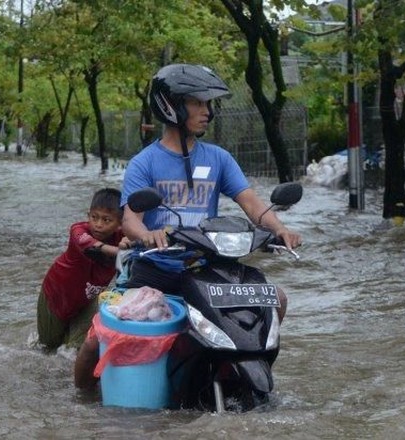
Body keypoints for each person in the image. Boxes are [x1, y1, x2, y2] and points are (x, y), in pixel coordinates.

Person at [73, 63, 302, 389]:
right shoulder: (145, 162)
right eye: (197, 102)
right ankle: (81, 405)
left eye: (208, 104)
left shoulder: (219, 158)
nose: (207, 111)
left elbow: (251, 203)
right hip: (154, 269)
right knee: (94, 344)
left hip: (209, 269)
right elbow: (130, 219)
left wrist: (279, 229)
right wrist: (147, 235)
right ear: (172, 105)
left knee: (275, 299)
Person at [37, 188, 129, 351]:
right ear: (88, 215)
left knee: (73, 350)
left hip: (88, 299)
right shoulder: (78, 230)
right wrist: (122, 252)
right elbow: (91, 245)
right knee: (48, 348)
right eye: (94, 217)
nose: (98, 224)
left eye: (107, 220)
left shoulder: (124, 238)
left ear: (120, 223)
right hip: (57, 295)